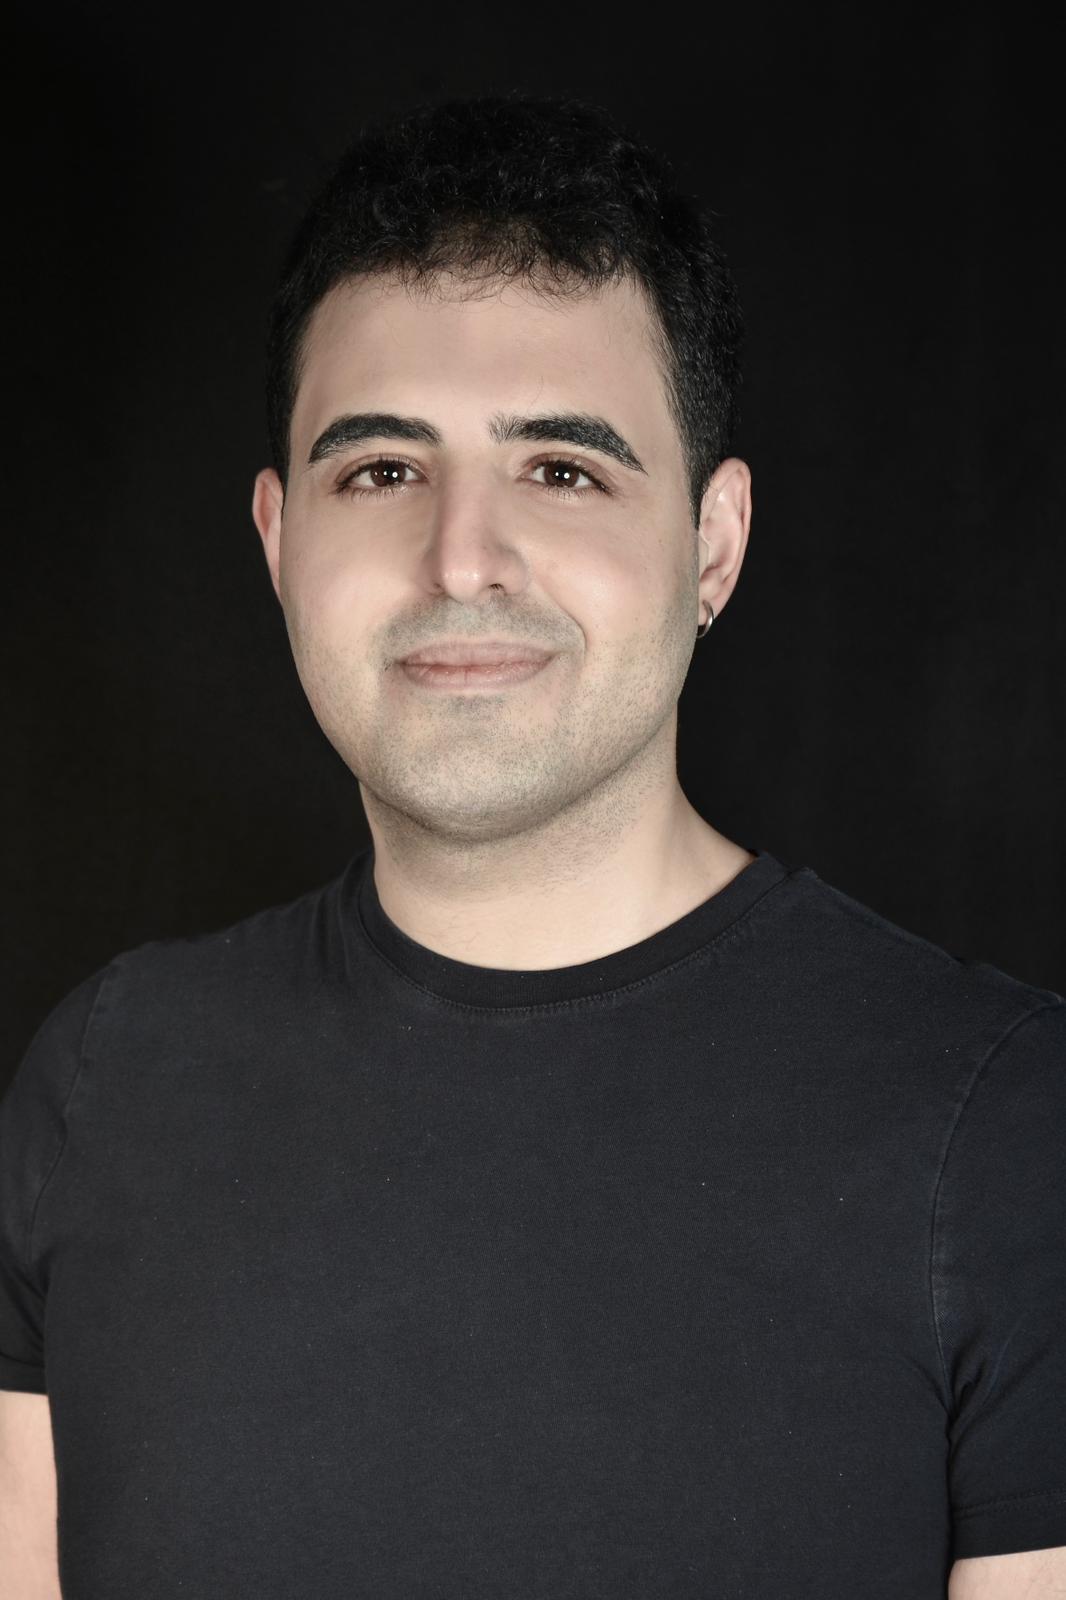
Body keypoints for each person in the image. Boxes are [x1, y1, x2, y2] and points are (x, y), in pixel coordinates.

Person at [1, 93, 1063, 1600]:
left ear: (711, 545)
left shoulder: (1011, 1130)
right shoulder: (102, 1084)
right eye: (381, 470)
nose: (461, 560)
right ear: (278, 541)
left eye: (562, 468)